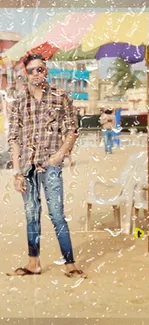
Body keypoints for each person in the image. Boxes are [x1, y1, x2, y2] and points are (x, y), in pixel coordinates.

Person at [7, 53, 87, 278]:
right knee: (31, 214)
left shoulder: (60, 96)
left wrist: (59, 155)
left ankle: (70, 264)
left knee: (57, 214)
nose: (36, 74)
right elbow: (13, 138)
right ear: (26, 73)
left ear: (46, 70)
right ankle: (33, 263)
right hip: (26, 167)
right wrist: (16, 172)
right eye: (31, 70)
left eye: (40, 69)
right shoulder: (20, 101)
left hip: (51, 165)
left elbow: (73, 129)